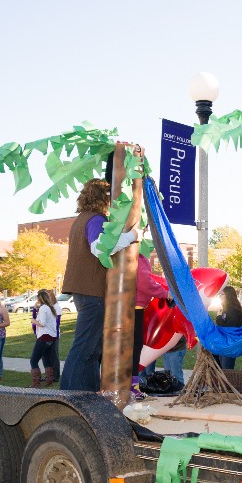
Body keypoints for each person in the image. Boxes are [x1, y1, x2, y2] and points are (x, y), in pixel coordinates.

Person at [60, 168, 142, 391]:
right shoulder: (95, 219)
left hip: (85, 292)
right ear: (102, 199)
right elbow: (100, 250)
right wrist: (131, 237)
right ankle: (72, 396)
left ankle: (84, 393)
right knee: (85, 348)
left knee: (91, 349)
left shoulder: (81, 219)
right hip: (91, 293)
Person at [132, 252, 171, 395]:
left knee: (134, 347)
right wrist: (165, 293)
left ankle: (131, 384)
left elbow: (149, 279)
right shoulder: (137, 256)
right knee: (134, 348)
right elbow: (144, 282)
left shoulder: (131, 254)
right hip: (134, 308)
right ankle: (131, 385)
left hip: (132, 307)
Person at [29, 289, 60, 388]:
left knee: (33, 360)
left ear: (40, 298)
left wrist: (33, 320)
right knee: (47, 360)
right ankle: (49, 381)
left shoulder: (43, 308)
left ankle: (35, 383)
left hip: (44, 336)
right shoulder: (51, 308)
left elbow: (42, 323)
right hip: (52, 337)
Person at [213, 286, 242, 370]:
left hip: (229, 345)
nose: (220, 296)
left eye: (222, 294)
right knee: (221, 369)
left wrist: (219, 317)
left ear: (228, 295)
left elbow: (227, 328)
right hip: (223, 343)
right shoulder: (226, 309)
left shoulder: (234, 311)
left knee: (227, 371)